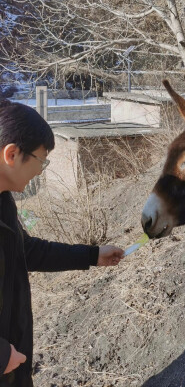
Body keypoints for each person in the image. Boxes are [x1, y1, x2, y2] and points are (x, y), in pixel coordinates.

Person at [0, 99, 124, 386]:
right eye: (41, 161)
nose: (41, 171)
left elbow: (27, 252)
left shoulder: (4, 201)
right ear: (12, 154)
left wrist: (92, 256)